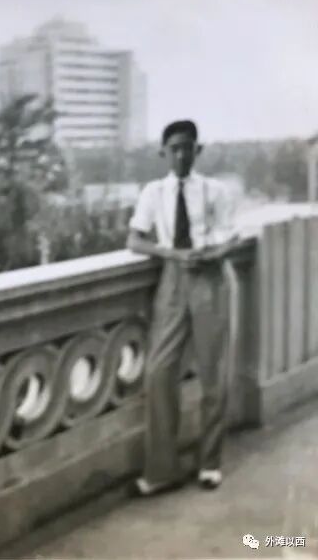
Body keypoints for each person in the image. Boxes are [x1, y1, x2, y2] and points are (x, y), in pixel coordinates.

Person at [127, 119, 240, 495]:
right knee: (159, 372)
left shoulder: (214, 190)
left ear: (197, 150)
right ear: (164, 152)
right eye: (174, 148)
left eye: (187, 148)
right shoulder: (153, 192)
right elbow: (134, 241)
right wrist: (171, 253)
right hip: (173, 279)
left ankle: (210, 463)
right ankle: (162, 470)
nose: (180, 155)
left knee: (213, 372)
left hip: (210, 278)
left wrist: (213, 253)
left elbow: (232, 237)